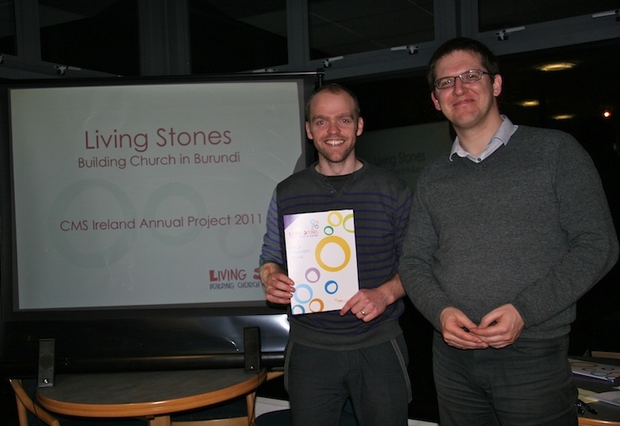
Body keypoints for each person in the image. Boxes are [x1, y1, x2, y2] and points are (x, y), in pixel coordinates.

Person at [398, 37, 619, 426]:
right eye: (446, 83)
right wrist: (442, 312)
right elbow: (414, 261)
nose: (459, 88)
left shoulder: (555, 152)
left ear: (496, 84)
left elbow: (598, 246)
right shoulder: (434, 177)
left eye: (471, 75)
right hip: (452, 360)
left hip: (532, 356)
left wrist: (524, 311)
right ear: (436, 100)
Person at [259, 83, 412, 426]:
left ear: (359, 126)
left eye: (343, 120)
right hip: (310, 349)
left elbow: (416, 265)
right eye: (321, 121)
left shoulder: (393, 191)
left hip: (378, 344)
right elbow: (270, 254)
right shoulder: (287, 192)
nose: (333, 131)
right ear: (309, 130)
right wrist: (270, 277)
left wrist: (385, 293)